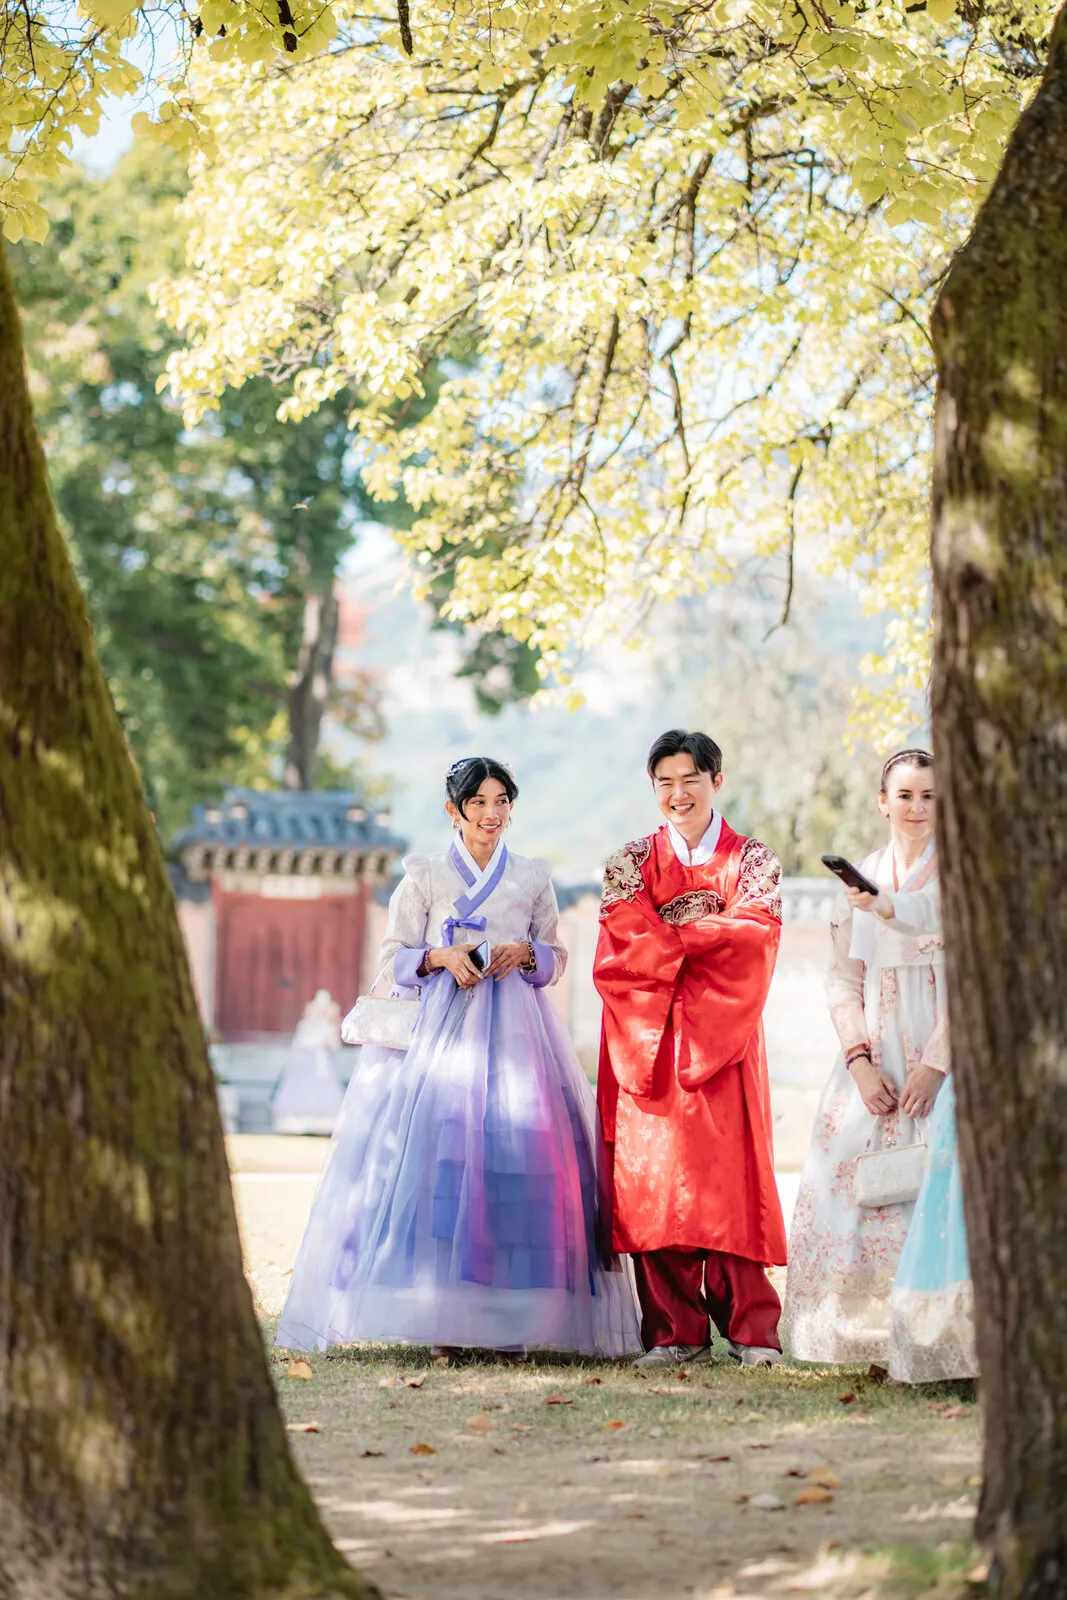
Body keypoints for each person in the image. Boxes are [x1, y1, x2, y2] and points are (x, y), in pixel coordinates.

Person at [276, 756, 641, 1359]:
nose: (492, 814)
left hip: (519, 1033)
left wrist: (523, 952)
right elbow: (395, 954)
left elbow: (554, 959)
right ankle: (440, 1314)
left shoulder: (530, 876)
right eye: (479, 803)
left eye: (502, 802)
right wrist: (441, 958)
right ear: (455, 810)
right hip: (440, 1033)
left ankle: (517, 1317)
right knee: (438, 1161)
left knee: (518, 1156)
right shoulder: (423, 875)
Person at [593, 729, 787, 1370]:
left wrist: (670, 938)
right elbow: (622, 944)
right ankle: (675, 1332)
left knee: (729, 1181)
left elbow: (752, 940)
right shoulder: (627, 862)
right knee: (656, 1184)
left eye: (690, 780)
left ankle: (752, 1331)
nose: (678, 795)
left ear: (716, 782)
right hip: (647, 1040)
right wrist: (701, 939)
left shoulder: (752, 861)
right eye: (665, 783)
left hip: (723, 1042)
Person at [781, 748, 976, 1380]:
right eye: (906, 795)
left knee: (944, 1184)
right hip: (876, 1051)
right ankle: (865, 1337)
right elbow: (842, 979)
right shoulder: (859, 878)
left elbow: (975, 978)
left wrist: (937, 1065)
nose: (918, 808)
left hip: (948, 1046)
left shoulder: (966, 876)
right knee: (856, 1186)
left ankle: (944, 1336)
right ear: (882, 802)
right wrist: (861, 1062)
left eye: (931, 796)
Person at [271, 989, 345, 1136]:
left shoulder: (329, 1026)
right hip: (306, 1063)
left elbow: (334, 1045)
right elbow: (299, 1043)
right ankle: (296, 1122)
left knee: (323, 1091)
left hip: (322, 1063)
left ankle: (323, 1124)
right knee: (303, 1088)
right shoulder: (305, 1024)